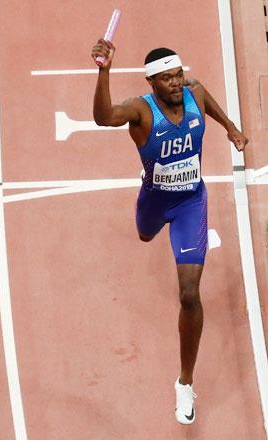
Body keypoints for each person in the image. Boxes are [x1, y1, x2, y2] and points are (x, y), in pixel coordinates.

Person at [90, 40, 248, 425]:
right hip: (155, 201)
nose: (177, 83)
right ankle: (159, 215)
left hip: (191, 202)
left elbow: (204, 96)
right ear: (153, 83)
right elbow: (104, 117)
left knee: (190, 294)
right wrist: (104, 71)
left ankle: (184, 382)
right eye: (167, 78)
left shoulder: (192, 91)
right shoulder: (141, 111)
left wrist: (230, 128)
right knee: (145, 235)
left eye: (178, 74)